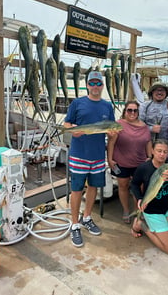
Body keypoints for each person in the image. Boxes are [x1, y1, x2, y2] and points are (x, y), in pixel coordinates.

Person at [64, 71, 116, 248]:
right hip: (79, 155)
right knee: (77, 189)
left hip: (98, 156)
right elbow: (67, 124)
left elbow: (111, 128)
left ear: (102, 86)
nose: (95, 86)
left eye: (98, 83)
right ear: (87, 85)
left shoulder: (107, 106)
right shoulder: (77, 103)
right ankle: (74, 223)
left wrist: (112, 133)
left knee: (93, 187)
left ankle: (86, 217)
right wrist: (73, 129)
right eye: (92, 83)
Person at [107, 100, 152, 224]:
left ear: (138, 112)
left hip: (140, 163)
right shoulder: (118, 124)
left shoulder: (144, 126)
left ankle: (139, 210)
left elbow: (148, 142)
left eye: (135, 110)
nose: (132, 112)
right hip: (122, 162)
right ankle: (126, 210)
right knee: (123, 186)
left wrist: (150, 157)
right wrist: (109, 159)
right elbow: (111, 142)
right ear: (125, 111)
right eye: (129, 110)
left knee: (140, 188)